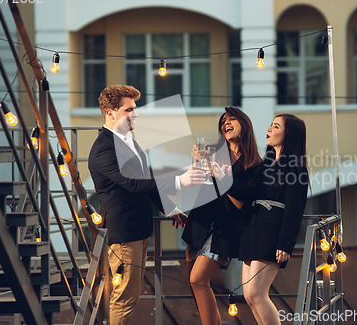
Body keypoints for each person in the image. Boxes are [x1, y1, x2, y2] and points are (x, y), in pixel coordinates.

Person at [88, 85, 205, 325]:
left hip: (139, 231)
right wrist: (179, 181)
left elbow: (147, 181)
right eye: (129, 109)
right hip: (123, 235)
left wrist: (169, 208)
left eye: (135, 107)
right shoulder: (104, 149)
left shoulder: (129, 141)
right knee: (124, 298)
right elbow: (133, 184)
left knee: (131, 295)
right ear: (110, 113)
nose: (136, 113)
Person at [217, 113, 309, 325]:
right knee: (249, 296)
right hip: (253, 230)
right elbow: (246, 193)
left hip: (271, 233)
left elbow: (295, 209)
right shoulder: (265, 165)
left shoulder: (295, 167)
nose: (269, 129)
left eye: (276, 126)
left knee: (257, 294)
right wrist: (223, 176)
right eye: (270, 124)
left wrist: (286, 244)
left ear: (289, 134)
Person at [182, 107, 262, 325]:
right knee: (194, 285)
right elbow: (196, 187)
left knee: (198, 279)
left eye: (232, 118)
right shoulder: (214, 153)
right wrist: (195, 164)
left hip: (225, 230)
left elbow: (241, 202)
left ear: (244, 124)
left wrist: (223, 176)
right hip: (199, 224)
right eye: (223, 120)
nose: (226, 122)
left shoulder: (255, 165)